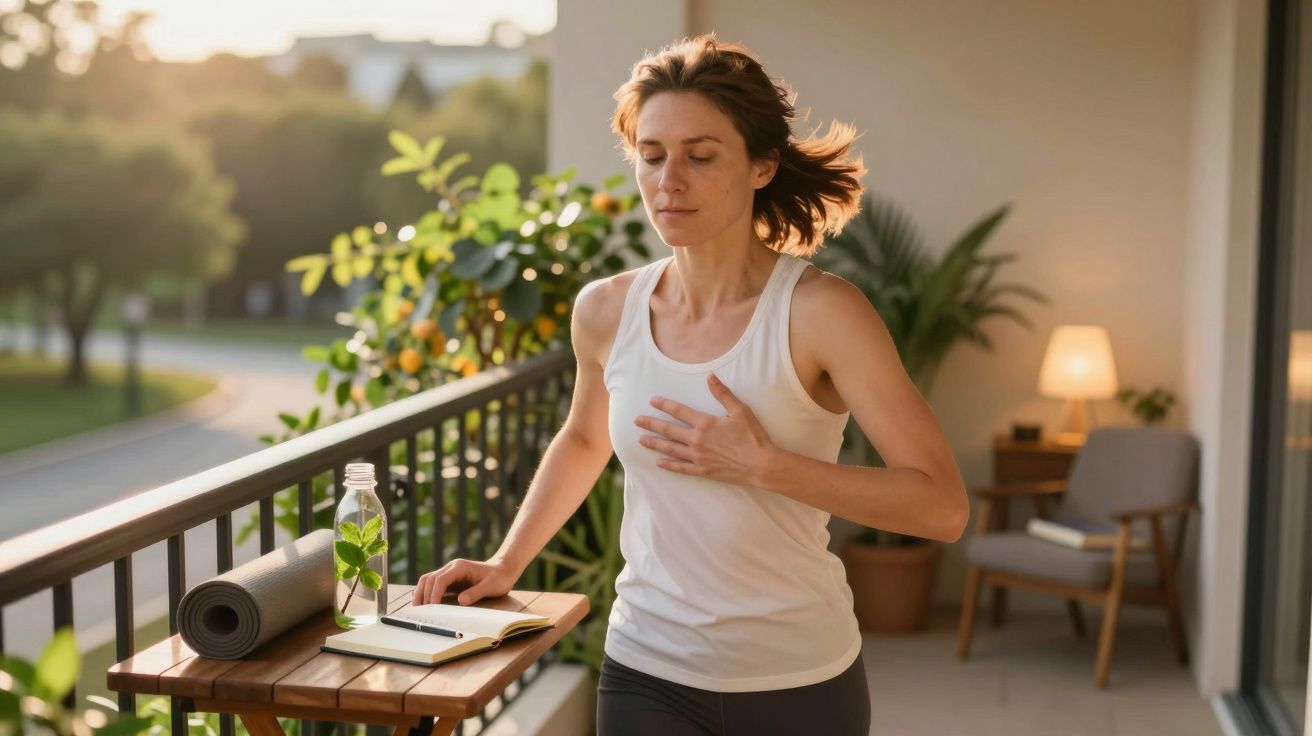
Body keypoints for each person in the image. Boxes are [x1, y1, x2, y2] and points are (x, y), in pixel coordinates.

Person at [413, 34, 969, 735]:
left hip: (798, 679)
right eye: (652, 156)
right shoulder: (607, 311)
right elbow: (585, 438)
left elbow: (942, 507)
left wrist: (765, 465)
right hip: (648, 668)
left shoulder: (823, 314)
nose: (669, 181)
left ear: (762, 166)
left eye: (701, 157)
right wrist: (506, 561)